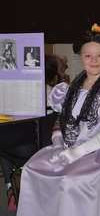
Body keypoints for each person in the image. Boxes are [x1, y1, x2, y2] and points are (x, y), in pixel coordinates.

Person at [17, 23, 100, 216]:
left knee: (70, 180)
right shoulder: (69, 88)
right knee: (32, 169)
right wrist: (58, 145)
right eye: (87, 55)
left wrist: (78, 152)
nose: (94, 60)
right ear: (80, 57)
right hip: (68, 146)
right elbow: (60, 121)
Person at [0, 54, 59, 211]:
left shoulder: (22, 95)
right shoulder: (57, 94)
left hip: (29, 151)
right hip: (52, 149)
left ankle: (9, 186)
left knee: (3, 144)